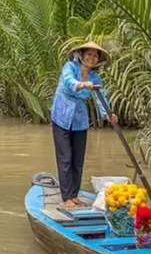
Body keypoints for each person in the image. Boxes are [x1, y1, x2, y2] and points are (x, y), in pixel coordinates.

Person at [50, 41, 118, 209]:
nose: (92, 58)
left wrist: (109, 115)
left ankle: (74, 194)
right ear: (81, 55)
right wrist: (81, 84)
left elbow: (101, 98)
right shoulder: (70, 67)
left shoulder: (95, 78)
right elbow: (68, 82)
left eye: (95, 56)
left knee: (78, 160)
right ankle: (66, 197)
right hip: (62, 115)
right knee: (65, 158)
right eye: (89, 54)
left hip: (79, 119)